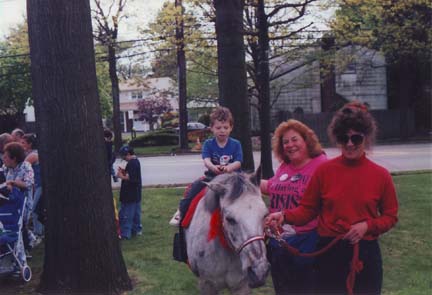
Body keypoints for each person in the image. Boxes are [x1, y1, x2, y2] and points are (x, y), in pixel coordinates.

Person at [265, 101, 399, 294]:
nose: (350, 144)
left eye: (356, 138)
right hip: (329, 252)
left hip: (365, 253)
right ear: (338, 139)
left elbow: (390, 216)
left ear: (366, 138)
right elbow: (307, 210)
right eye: (345, 138)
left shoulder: (381, 175)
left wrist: (367, 226)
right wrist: (284, 216)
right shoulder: (324, 171)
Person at [261, 119, 327, 294]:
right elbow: (273, 187)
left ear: (306, 140)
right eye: (285, 142)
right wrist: (245, 181)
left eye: (294, 139)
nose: (290, 145)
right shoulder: (285, 166)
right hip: (278, 242)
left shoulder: (321, 165)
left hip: (307, 243)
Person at [169, 106, 243, 226]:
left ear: (231, 128)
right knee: (193, 190)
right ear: (212, 128)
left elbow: (238, 161)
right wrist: (213, 167)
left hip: (233, 178)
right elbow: (206, 159)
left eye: (225, 127)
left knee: (249, 193)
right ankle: (181, 211)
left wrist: (229, 168)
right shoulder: (209, 144)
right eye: (218, 128)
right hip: (212, 176)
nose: (222, 130)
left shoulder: (236, 144)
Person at [2, 142, 36, 254]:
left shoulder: (25, 166)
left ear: (14, 158)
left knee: (20, 224)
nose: (3, 158)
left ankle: (24, 248)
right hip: (10, 203)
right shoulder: (6, 168)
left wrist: (13, 183)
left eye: (6, 156)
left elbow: (29, 184)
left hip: (23, 202)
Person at [21, 134, 44, 244]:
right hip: (37, 185)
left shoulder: (33, 155)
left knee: (35, 209)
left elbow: (22, 169)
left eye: (23, 143)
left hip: (40, 185)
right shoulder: (32, 153)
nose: (21, 145)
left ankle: (38, 233)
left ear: (30, 144)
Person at [116, 145, 142, 240]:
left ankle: (125, 234)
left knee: (126, 214)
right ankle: (136, 230)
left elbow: (132, 179)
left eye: (123, 156)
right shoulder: (135, 162)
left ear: (128, 154)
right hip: (136, 193)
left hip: (129, 194)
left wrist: (120, 176)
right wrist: (124, 172)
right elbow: (131, 175)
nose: (123, 158)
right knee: (136, 213)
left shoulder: (132, 163)